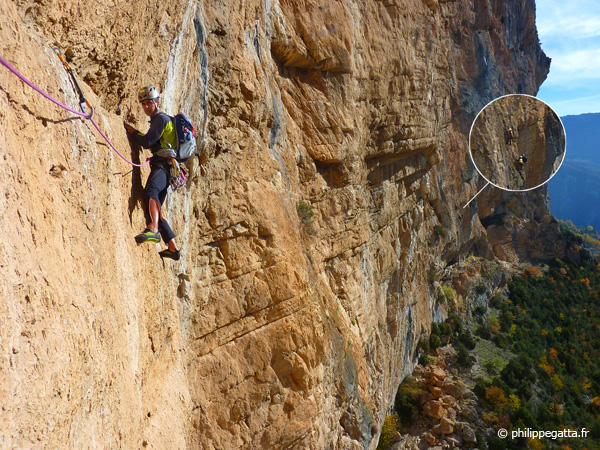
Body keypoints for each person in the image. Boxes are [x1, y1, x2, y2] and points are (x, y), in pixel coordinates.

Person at [124, 85, 180, 261]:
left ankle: (153, 230)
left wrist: (131, 131)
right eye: (144, 104)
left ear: (157, 102)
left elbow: (147, 142)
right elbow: (151, 140)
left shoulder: (161, 119)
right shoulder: (161, 120)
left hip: (163, 165)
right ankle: (173, 249)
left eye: (149, 103)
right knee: (154, 208)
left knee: (151, 192)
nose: (147, 106)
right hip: (167, 166)